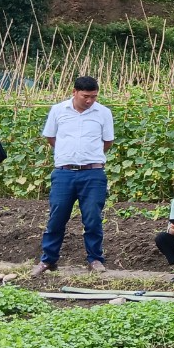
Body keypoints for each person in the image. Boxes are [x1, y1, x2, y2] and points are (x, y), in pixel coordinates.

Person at [30, 76, 115, 276]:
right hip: (64, 173)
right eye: (86, 96)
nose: (90, 101)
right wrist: (67, 154)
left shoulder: (103, 113)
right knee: (56, 217)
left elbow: (107, 142)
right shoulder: (58, 111)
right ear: (74, 92)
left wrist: (88, 156)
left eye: (94, 97)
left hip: (93, 173)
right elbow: (51, 137)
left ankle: (95, 259)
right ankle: (48, 260)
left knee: (93, 218)